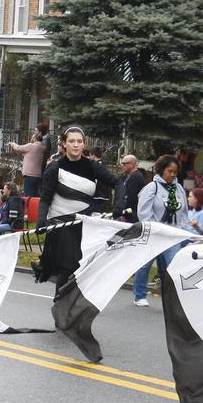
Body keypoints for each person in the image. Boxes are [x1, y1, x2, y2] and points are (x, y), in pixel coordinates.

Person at [34, 126, 125, 298]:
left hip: (82, 224)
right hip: (59, 223)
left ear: (84, 145)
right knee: (68, 264)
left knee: (78, 267)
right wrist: (41, 219)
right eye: (71, 141)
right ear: (64, 144)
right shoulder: (55, 168)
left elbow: (118, 183)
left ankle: (71, 309)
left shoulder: (93, 167)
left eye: (79, 141)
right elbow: (45, 198)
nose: (76, 145)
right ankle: (60, 307)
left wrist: (118, 206)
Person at [132, 155, 189, 306]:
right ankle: (139, 295)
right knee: (145, 265)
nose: (172, 175)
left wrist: (181, 230)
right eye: (170, 171)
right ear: (162, 170)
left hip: (172, 235)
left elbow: (184, 212)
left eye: (175, 172)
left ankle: (170, 297)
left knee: (171, 266)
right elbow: (144, 211)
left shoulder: (179, 189)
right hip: (154, 234)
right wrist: (154, 228)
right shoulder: (152, 188)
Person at [8, 132, 46, 197]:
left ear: (35, 138)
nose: (31, 138)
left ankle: (29, 207)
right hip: (38, 175)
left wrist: (12, 144)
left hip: (29, 174)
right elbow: (26, 153)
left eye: (32, 137)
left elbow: (18, 147)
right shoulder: (42, 147)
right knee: (35, 195)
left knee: (28, 195)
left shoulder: (31, 146)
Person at [120, 154, 144, 222]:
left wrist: (125, 214)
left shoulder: (134, 177)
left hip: (132, 215)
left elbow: (131, 199)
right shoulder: (134, 175)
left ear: (132, 164)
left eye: (124, 163)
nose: (122, 165)